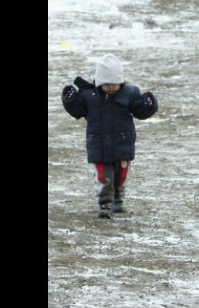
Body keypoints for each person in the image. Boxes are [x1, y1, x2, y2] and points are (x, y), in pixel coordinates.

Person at [61, 54, 158, 218]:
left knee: (121, 175)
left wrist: (148, 104)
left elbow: (140, 111)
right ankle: (105, 203)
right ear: (99, 82)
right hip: (98, 146)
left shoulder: (129, 93)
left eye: (114, 84)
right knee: (103, 176)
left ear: (120, 82)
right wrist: (70, 99)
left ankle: (118, 200)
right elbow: (77, 110)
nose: (111, 87)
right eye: (106, 84)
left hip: (122, 144)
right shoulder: (89, 96)